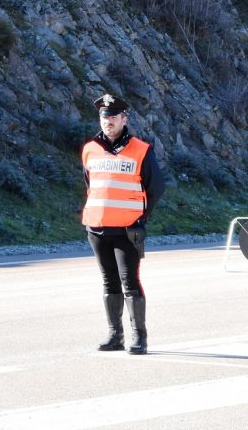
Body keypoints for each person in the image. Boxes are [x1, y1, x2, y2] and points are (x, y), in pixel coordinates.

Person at [81, 94, 165, 355]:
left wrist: (141, 219)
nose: (108, 121)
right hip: (97, 228)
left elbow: (156, 188)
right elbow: (90, 184)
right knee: (109, 282)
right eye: (104, 117)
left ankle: (139, 337)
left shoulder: (141, 150)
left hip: (127, 230)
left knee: (130, 282)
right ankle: (114, 335)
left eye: (114, 116)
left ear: (124, 119)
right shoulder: (90, 149)